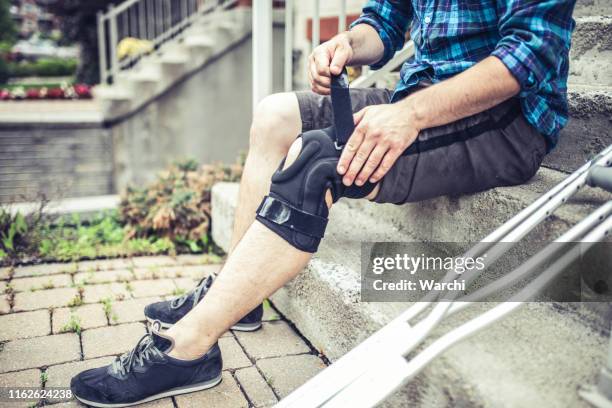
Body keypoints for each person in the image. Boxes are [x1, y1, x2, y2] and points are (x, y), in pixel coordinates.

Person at [70, 0, 576, 406]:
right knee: (274, 116)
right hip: (418, 94)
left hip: (507, 121)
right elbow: (386, 21)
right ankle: (237, 302)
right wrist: (346, 44)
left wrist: (411, 115)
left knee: (316, 163)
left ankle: (187, 350)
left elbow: (531, 53)